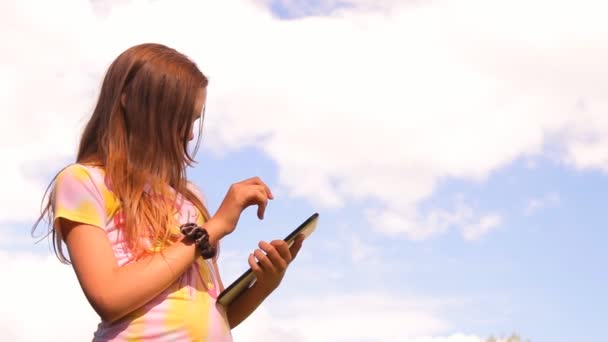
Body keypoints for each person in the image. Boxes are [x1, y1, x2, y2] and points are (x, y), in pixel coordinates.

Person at [32, 43, 305, 341]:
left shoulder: (190, 198)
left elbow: (217, 312)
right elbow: (109, 298)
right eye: (181, 119)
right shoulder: (83, 181)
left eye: (194, 121)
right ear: (131, 103)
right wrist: (212, 229)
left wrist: (266, 283)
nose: (189, 134)